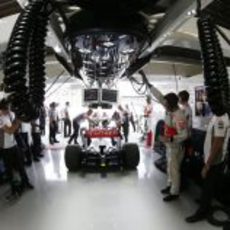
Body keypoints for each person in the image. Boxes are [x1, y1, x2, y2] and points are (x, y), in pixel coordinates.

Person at [185, 106, 230, 223]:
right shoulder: (217, 116)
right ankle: (205, 201)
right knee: (207, 183)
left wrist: (208, 165)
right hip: (210, 157)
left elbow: (218, 144)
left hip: (215, 160)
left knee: (208, 185)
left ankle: (202, 212)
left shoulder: (221, 119)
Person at [149, 85, 188, 201]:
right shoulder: (169, 109)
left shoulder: (179, 116)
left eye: (166, 104)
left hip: (176, 147)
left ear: (171, 104)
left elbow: (184, 135)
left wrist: (169, 139)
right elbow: (160, 97)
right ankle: (169, 185)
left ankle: (174, 192)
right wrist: (149, 85)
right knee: (170, 168)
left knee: (174, 170)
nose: (164, 105)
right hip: (170, 146)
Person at [0, 99, 33, 197]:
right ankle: (14, 188)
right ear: (3, 108)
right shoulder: (0, 118)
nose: (10, 109)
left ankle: (26, 182)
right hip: (5, 148)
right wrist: (18, 123)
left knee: (21, 165)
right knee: (9, 170)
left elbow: (16, 123)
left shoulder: (10, 114)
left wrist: (21, 118)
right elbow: (10, 131)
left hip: (14, 145)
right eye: (8, 108)